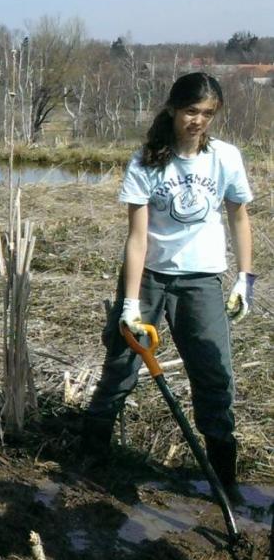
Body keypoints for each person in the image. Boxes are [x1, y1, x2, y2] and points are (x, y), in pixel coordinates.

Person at [82, 72, 255, 500]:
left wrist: (246, 277)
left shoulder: (226, 158)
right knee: (122, 368)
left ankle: (224, 480)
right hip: (151, 277)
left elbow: (239, 217)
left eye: (208, 113)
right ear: (174, 109)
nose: (198, 121)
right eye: (192, 111)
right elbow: (138, 238)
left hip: (202, 281)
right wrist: (130, 303)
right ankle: (89, 463)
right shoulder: (147, 160)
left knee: (215, 376)